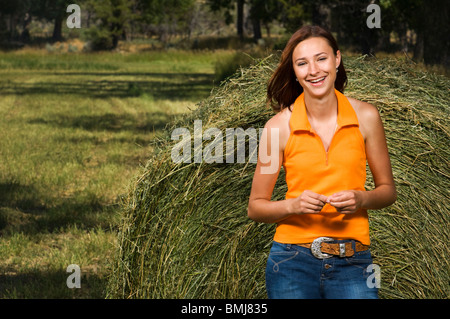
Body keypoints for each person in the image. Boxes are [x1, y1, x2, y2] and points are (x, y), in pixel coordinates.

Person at [247, 25, 397, 299]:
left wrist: (361, 199)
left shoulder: (367, 117)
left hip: (354, 260)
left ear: (337, 59)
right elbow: (256, 207)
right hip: (290, 261)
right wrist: (294, 205)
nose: (314, 70)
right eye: (302, 63)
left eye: (321, 58)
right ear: (294, 71)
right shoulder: (276, 128)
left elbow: (387, 190)